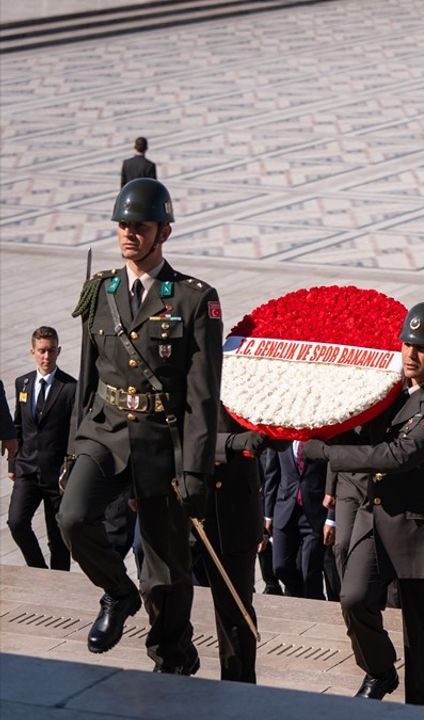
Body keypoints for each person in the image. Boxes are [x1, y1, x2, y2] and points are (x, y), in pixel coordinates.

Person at [57, 178, 221, 675]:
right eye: (123, 225)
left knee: (165, 566)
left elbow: (202, 396)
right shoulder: (100, 290)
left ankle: (171, 655)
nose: (129, 234)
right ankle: (116, 593)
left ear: (163, 232)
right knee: (72, 518)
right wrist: (71, 453)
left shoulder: (194, 299)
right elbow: (87, 378)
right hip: (104, 429)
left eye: (140, 226)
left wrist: (194, 472)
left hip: (160, 439)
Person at [299, 302, 424, 704]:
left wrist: (325, 455)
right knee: (353, 598)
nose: (412, 355)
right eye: (407, 345)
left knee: (423, 640)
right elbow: (355, 429)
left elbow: (401, 454)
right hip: (377, 520)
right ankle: (379, 670)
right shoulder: (387, 388)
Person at [195, 412, 272, 683]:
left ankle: (238, 687)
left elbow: (278, 440)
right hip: (185, 497)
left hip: (234, 506)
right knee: (160, 589)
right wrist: (233, 443)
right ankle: (173, 663)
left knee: (235, 608)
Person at [9, 326, 75, 571]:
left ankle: (59, 582)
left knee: (58, 539)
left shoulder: (70, 388)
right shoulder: (22, 383)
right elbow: (18, 425)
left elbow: (74, 434)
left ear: (58, 351)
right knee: (16, 523)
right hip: (27, 469)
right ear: (33, 352)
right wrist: (13, 463)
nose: (46, 357)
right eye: (41, 351)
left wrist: (70, 471)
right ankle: (38, 570)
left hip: (56, 474)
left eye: (51, 351)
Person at [261, 440, 329, 599]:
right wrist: (268, 514)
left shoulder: (322, 434)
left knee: (310, 571)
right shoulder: (281, 435)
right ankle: (299, 595)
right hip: (284, 509)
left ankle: (313, 606)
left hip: (313, 512)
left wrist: (331, 516)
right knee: (280, 567)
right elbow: (272, 475)